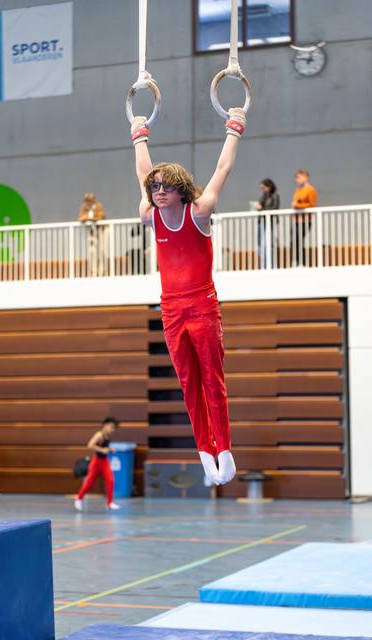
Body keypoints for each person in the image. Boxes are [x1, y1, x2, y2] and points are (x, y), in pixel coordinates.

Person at [131, 107, 247, 485]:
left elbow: (222, 169)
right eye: (155, 188)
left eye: (166, 187)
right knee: (187, 383)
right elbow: (142, 173)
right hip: (172, 311)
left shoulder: (200, 211)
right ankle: (204, 453)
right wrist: (139, 134)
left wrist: (235, 127)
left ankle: (224, 449)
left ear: (182, 188)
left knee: (212, 379)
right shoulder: (151, 215)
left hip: (202, 307)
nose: (158, 192)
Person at [74, 417, 120, 511]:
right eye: (111, 427)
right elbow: (90, 445)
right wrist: (102, 450)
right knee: (89, 483)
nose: (112, 430)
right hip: (97, 462)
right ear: (105, 425)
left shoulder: (107, 435)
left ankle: (110, 503)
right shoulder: (99, 435)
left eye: (114, 428)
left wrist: (109, 449)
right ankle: (79, 498)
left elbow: (104, 447)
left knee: (110, 480)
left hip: (104, 461)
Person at [291, 169, 318, 266]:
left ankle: (302, 263)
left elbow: (312, 205)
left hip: (305, 220)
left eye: (298, 177)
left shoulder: (311, 189)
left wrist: (297, 206)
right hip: (296, 219)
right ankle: (298, 262)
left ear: (305, 177)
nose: (296, 179)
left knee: (298, 241)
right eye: (296, 177)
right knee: (293, 241)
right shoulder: (298, 190)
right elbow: (295, 201)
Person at [78, 192, 108, 276]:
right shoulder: (84, 207)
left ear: (93, 201)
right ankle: (94, 272)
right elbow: (81, 218)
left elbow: (100, 217)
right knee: (92, 251)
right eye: (87, 201)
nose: (88, 203)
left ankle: (102, 272)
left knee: (102, 251)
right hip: (92, 232)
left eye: (90, 201)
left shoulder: (98, 206)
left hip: (102, 230)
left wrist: (90, 218)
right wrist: (90, 218)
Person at [254, 178, 280, 268]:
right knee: (260, 245)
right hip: (261, 222)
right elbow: (259, 205)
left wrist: (261, 208)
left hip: (270, 223)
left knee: (269, 244)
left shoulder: (275, 196)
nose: (263, 190)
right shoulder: (263, 196)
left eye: (264, 188)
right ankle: (264, 265)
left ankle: (271, 265)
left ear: (269, 187)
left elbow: (274, 208)